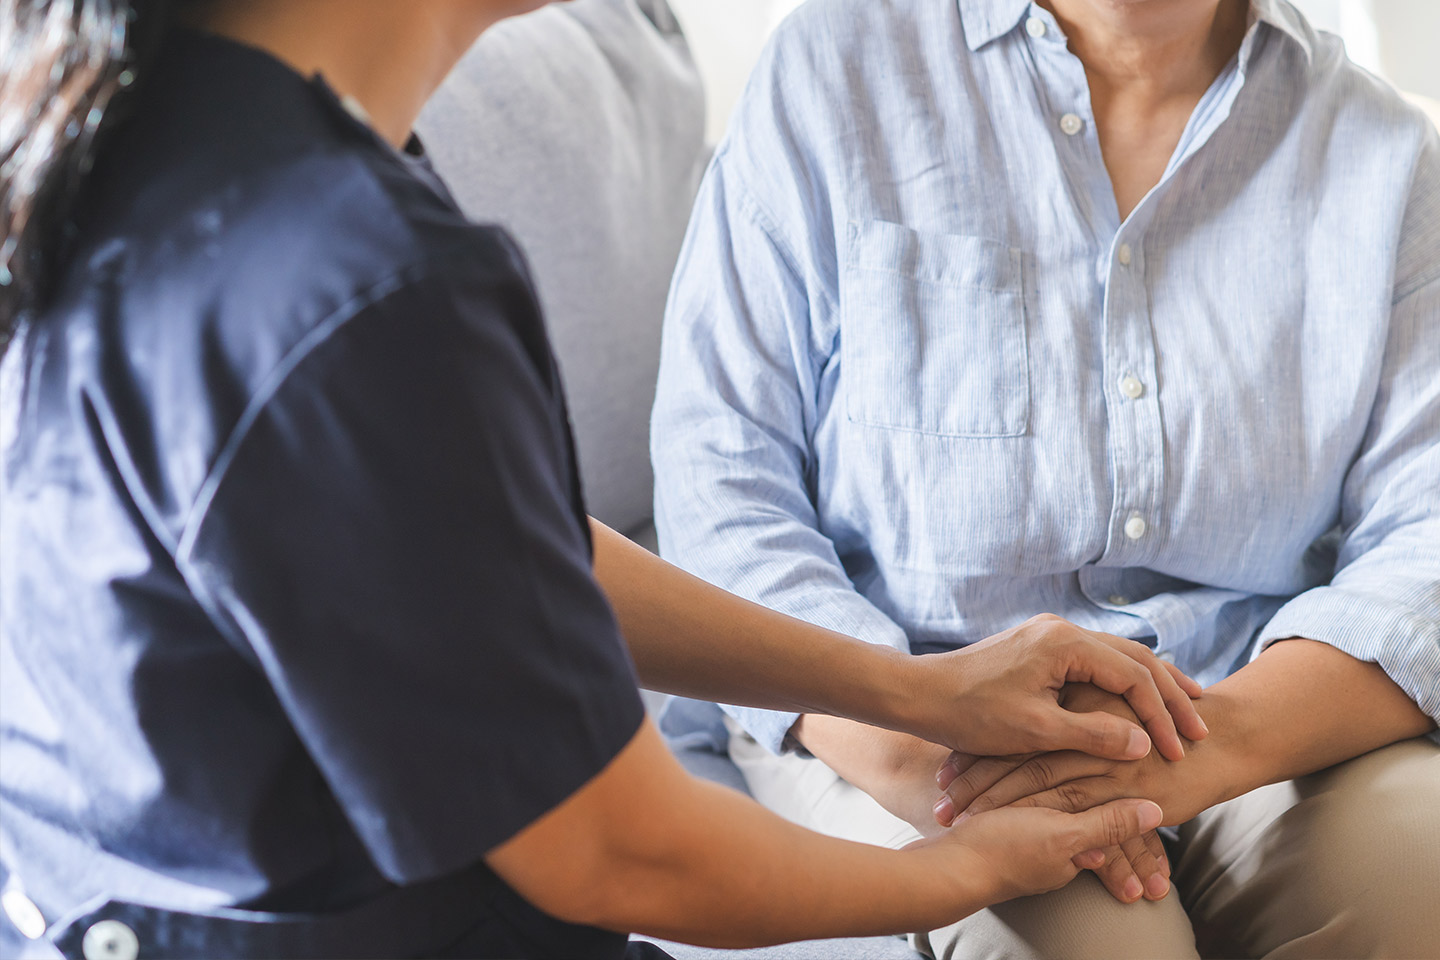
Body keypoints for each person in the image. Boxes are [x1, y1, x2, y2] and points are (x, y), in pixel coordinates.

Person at [0, 2, 1207, 958]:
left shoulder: (163, 134)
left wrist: (913, 690)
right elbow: (620, 853)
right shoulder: (358, 282)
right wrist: (957, 873)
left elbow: (486, 552)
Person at [650, 0, 1440, 957]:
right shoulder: (833, 68)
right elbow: (719, 480)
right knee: (1090, 945)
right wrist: (922, 756)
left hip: (1250, 714)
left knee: (1419, 875)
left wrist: (1214, 743)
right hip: (893, 715)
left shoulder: (1389, 152)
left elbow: (1425, 534)